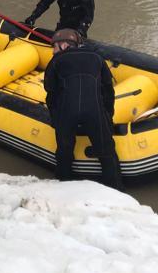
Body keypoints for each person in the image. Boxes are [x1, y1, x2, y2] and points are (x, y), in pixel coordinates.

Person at [43, 28, 124, 190]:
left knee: (64, 152)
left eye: (54, 46)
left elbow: (50, 92)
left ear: (65, 45)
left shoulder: (55, 62)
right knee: (107, 153)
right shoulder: (97, 58)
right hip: (95, 111)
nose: (53, 51)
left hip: (67, 112)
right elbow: (108, 90)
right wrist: (108, 116)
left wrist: (56, 119)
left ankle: (64, 186)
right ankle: (116, 190)